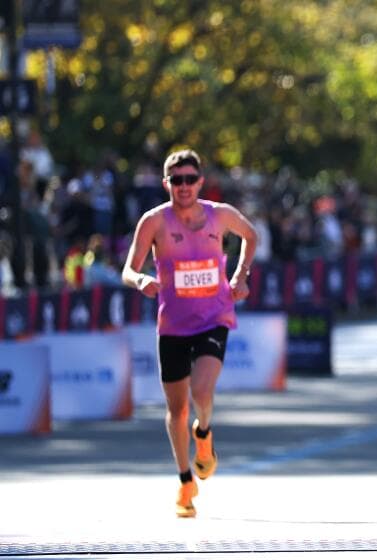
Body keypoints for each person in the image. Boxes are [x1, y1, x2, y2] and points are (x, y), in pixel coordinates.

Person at [122, 149, 257, 518]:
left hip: (214, 316)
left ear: (200, 181)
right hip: (173, 325)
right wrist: (141, 281)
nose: (183, 187)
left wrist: (240, 275)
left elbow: (251, 235)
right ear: (166, 184)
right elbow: (127, 269)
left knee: (201, 391)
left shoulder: (220, 214)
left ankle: (205, 433)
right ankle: (185, 481)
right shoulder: (154, 222)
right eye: (176, 180)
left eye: (190, 179)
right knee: (177, 408)